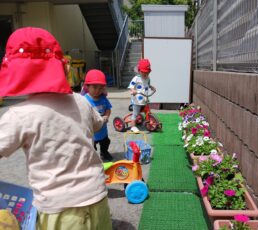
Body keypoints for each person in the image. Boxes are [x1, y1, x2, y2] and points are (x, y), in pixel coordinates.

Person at [0, 27, 112, 230]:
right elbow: (96, 124)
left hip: (59, 209)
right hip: (97, 198)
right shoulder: (81, 101)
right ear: (64, 69)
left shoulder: (19, 115)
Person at [83, 69, 113, 161]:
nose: (97, 91)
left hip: (103, 130)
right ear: (87, 86)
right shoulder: (84, 100)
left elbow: (108, 109)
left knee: (105, 142)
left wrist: (107, 116)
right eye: (94, 87)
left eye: (100, 88)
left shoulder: (103, 98)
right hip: (91, 132)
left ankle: (104, 152)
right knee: (91, 146)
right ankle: (93, 157)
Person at [127, 58, 156, 133]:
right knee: (135, 114)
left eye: (147, 73)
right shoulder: (136, 78)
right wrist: (133, 90)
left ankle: (148, 120)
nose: (145, 74)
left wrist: (151, 87)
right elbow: (130, 86)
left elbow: (147, 84)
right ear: (139, 71)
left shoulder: (147, 78)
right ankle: (133, 127)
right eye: (144, 73)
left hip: (144, 99)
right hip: (137, 100)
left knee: (146, 110)